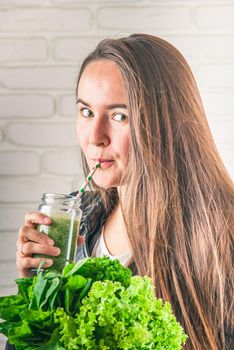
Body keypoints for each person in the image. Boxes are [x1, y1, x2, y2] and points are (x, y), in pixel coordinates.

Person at [7, 34, 233, 349]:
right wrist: (38, 291)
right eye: (86, 112)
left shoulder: (220, 235)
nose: (95, 137)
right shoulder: (78, 217)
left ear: (165, 122)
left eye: (119, 116)